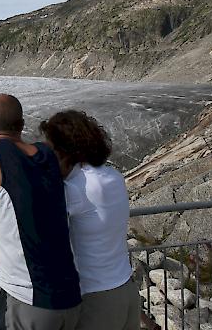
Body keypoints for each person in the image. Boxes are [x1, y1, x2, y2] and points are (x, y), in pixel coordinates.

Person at [0, 94, 81, 329]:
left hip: (29, 300)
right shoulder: (47, 154)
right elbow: (32, 209)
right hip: (71, 297)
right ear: (21, 125)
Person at [39, 111, 140, 330]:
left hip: (97, 299)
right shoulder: (113, 176)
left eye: (51, 150)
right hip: (126, 289)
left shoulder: (75, 189)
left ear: (64, 151)